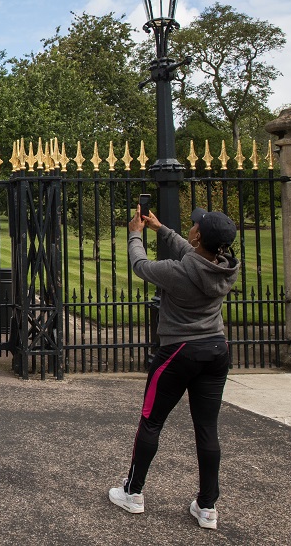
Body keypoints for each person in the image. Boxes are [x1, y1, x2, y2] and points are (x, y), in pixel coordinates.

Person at [108, 206, 239, 530]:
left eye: (195, 225)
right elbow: (193, 256)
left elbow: (141, 265)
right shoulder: (224, 267)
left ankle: (133, 492)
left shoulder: (177, 272)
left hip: (178, 351)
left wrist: (136, 233)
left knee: (151, 421)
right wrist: (161, 228)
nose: (192, 227)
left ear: (198, 235)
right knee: (207, 428)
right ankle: (207, 507)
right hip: (215, 349)